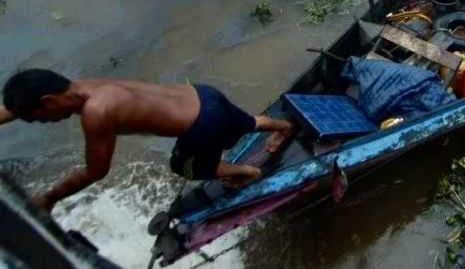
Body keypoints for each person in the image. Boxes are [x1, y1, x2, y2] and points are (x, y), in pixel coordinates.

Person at [0, 69, 293, 213]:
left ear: (48, 101)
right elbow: (20, 106)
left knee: (186, 168)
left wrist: (49, 199)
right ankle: (284, 127)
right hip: (203, 95)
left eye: (39, 119)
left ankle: (248, 173)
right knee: (248, 122)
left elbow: (96, 171)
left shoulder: (96, 113)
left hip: (201, 125)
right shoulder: (83, 85)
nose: (45, 123)